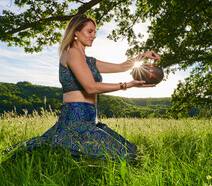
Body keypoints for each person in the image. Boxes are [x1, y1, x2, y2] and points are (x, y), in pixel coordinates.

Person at [6, 14, 161, 162]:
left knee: (131, 151)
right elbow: (90, 87)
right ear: (76, 32)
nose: (94, 35)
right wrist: (127, 85)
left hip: (90, 120)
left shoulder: (89, 61)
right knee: (123, 156)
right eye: (90, 31)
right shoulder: (71, 54)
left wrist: (143, 55)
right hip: (75, 120)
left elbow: (121, 67)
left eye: (95, 32)